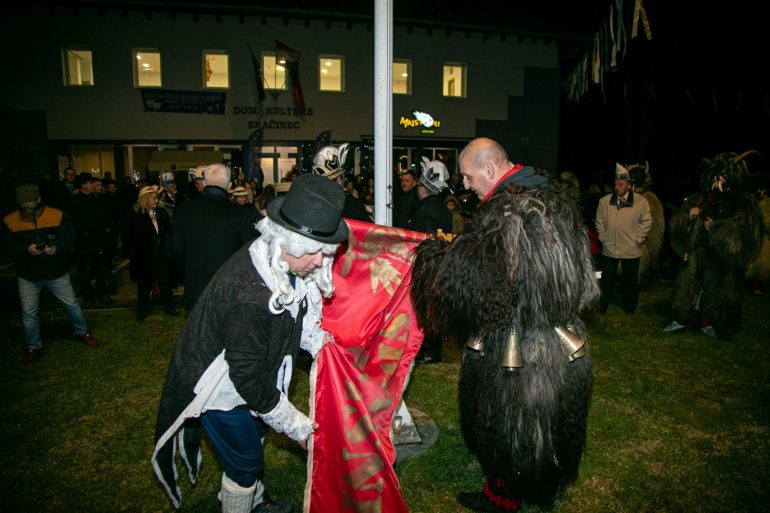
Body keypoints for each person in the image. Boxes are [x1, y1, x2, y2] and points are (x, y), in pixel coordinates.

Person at [410, 137, 597, 512]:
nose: (466, 185)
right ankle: (541, 488)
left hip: (519, 348)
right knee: (546, 426)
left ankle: (501, 499)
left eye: (468, 176)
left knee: (507, 425)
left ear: (490, 169)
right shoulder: (553, 199)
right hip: (560, 340)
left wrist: (434, 257)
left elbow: (475, 285)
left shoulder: (506, 213)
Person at [152, 173, 348, 513]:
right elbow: (247, 378)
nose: (320, 261)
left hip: (252, 373)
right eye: (314, 251)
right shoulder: (248, 295)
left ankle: (255, 502)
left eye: (324, 251)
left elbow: (295, 310)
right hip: (221, 389)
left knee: (252, 441)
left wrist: (320, 343)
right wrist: (296, 425)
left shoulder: (281, 260)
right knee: (244, 463)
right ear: (287, 241)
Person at [663, 151, 762, 339]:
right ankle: (680, 318)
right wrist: (689, 217)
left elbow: (744, 232)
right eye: (716, 175)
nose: (719, 180)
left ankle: (709, 323)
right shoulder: (700, 198)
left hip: (722, 259)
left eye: (723, 176)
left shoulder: (743, 203)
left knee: (717, 290)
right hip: (698, 252)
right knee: (687, 285)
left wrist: (715, 228)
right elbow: (676, 223)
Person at [2, 185, 100, 364]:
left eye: (30, 201)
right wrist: (25, 249)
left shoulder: (56, 215)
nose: (26, 205)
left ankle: (83, 332)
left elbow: (69, 237)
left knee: (71, 305)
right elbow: (5, 245)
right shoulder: (10, 221)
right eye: (23, 202)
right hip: (28, 274)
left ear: (39, 199)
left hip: (56, 272)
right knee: (29, 313)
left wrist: (56, 248)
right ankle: (33, 346)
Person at [171, 163, 258, 311]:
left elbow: (176, 250)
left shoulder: (185, 209)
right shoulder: (240, 213)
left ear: (204, 183)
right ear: (229, 186)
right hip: (229, 287)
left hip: (195, 284)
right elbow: (249, 252)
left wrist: (188, 271)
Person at [408, 157, 453, 365]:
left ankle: (429, 350)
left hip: (426, 264)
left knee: (426, 308)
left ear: (423, 188)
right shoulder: (443, 209)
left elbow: (421, 239)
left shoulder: (424, 210)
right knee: (433, 307)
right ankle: (431, 349)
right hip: (441, 262)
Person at [595, 164, 652, 315]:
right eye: (615, 184)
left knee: (630, 282)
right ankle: (601, 307)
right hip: (609, 248)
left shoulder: (640, 202)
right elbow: (599, 221)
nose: (617, 187)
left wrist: (637, 239)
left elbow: (646, 222)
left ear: (629, 185)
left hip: (630, 249)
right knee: (606, 281)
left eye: (621, 184)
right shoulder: (604, 201)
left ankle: (629, 308)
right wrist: (603, 236)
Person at [123, 185, 178, 322]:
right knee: (144, 285)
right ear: (145, 199)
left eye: (157, 198)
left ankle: (169, 307)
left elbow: (170, 230)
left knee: (165, 282)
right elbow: (127, 236)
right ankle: (142, 312)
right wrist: (132, 252)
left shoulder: (161, 213)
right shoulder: (136, 215)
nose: (156, 201)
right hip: (143, 257)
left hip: (160, 254)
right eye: (154, 198)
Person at [65, 172, 115, 307]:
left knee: (101, 270)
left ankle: (103, 294)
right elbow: (71, 222)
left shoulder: (98, 199)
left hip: (100, 241)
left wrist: (106, 231)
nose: (93, 185)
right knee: (85, 271)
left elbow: (106, 217)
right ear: (83, 185)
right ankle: (88, 296)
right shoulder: (74, 202)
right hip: (84, 243)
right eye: (90, 183)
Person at [312, 143, 371, 222]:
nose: (345, 180)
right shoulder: (353, 205)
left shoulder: (310, 202)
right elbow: (368, 228)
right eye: (344, 178)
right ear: (339, 180)